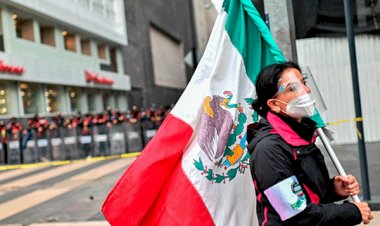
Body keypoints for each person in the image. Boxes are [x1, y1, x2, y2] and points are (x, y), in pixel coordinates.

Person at [248, 62, 373, 225]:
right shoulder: (269, 149)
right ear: (274, 105)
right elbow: (295, 214)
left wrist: (333, 190)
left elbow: (307, 191)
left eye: (304, 83)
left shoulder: (302, 134)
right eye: (292, 88)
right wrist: (351, 212)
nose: (306, 91)